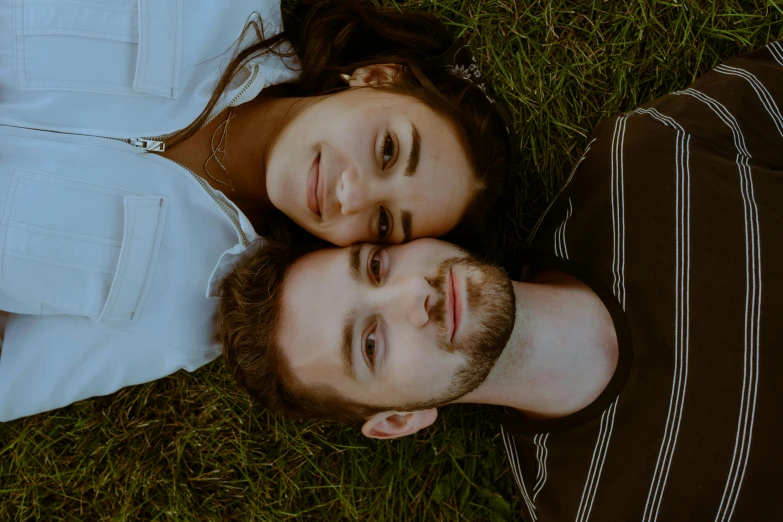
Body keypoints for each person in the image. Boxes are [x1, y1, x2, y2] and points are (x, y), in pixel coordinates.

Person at [217, 42, 783, 521]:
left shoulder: (647, 162)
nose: (413, 296)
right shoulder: (594, 507)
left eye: (375, 266)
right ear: (398, 420)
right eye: (370, 343)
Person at [0, 0, 514, 421]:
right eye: (387, 150)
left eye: (383, 222)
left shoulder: (187, 312)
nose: (350, 194)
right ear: (377, 77)